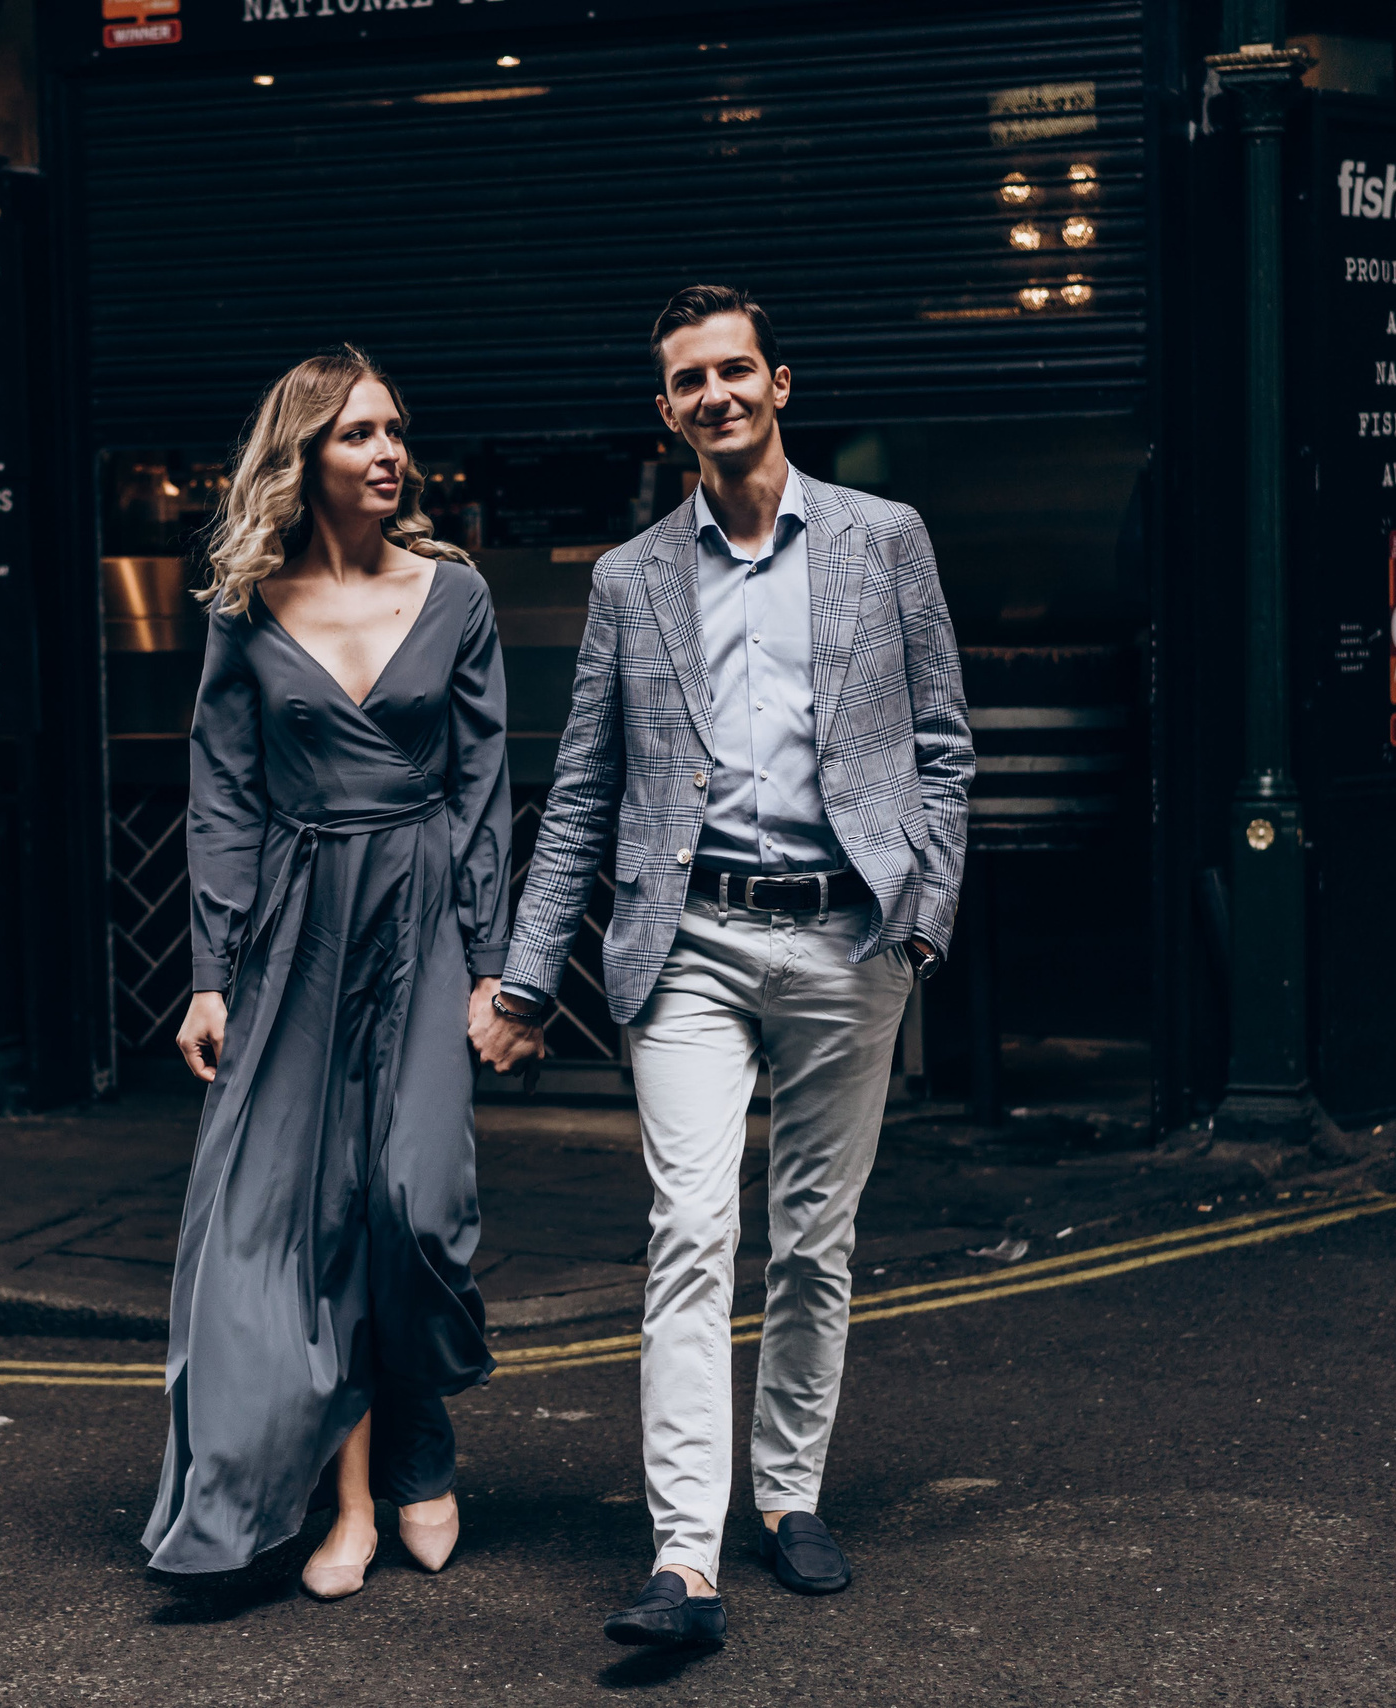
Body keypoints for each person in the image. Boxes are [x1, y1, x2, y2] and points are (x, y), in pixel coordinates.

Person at [472, 285, 972, 1647]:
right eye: (690, 380)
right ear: (667, 411)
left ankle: (791, 1495)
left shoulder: (885, 541)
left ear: (780, 383)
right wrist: (525, 979)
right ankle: (684, 1554)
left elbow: (941, 745)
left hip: (847, 936)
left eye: (735, 370)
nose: (717, 395)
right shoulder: (631, 577)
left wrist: (923, 919)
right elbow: (581, 791)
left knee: (815, 1239)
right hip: (686, 940)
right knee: (691, 1232)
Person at [143, 347, 512, 1600]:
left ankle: (421, 1437)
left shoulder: (454, 595)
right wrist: (210, 973)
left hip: (418, 916)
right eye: (358, 433)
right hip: (297, 925)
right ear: (303, 457)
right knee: (307, 1222)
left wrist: (495, 964)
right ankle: (348, 1498)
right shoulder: (243, 604)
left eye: (395, 430)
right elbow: (222, 799)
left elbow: (480, 791)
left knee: (411, 1200)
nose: (387, 452)